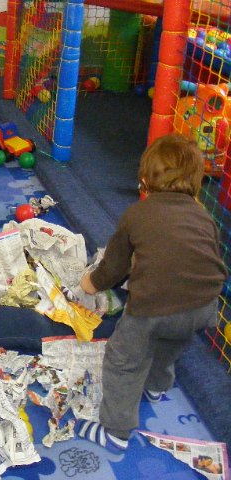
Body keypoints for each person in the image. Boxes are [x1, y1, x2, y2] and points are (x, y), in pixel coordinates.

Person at [76, 133, 227, 453]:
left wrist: (90, 284)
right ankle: (157, 386)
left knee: (123, 359)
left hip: (153, 308)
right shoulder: (205, 218)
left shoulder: (136, 214)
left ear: (144, 180)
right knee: (170, 344)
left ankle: (116, 431)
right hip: (204, 305)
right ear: (197, 183)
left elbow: (114, 267)